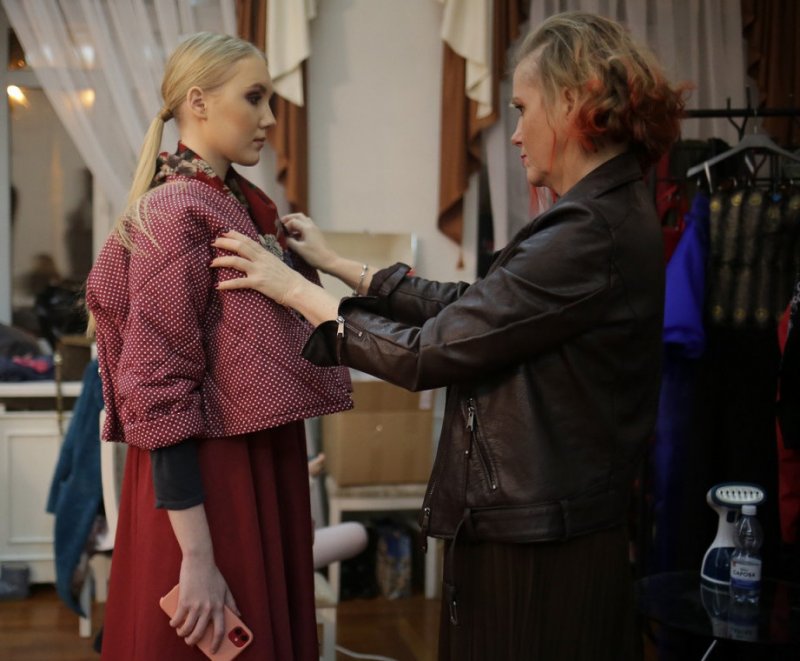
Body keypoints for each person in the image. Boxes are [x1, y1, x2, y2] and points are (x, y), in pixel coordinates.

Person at [211, 11, 688, 659]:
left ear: (573, 102)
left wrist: (294, 290)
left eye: (522, 109)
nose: (514, 133)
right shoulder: (602, 213)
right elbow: (479, 307)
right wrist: (341, 266)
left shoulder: (588, 232)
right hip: (542, 525)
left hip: (540, 545)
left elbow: (431, 352)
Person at [86, 32, 352, 660]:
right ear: (199, 102)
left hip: (251, 464)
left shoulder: (237, 206)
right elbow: (158, 388)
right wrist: (197, 557)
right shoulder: (179, 211)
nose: (270, 118)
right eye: (254, 98)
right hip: (209, 486)